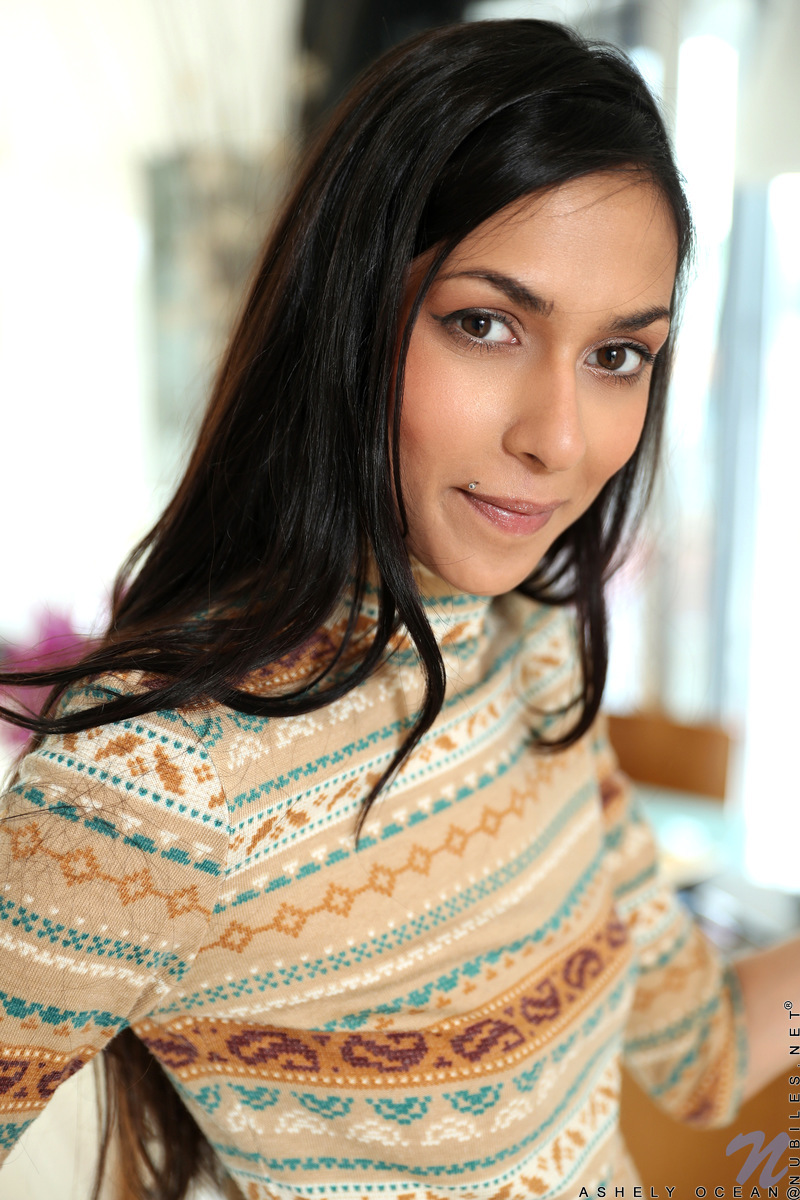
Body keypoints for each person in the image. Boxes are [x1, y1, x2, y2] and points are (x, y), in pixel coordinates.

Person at [0, 17, 797, 1200]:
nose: (558, 439)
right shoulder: (156, 780)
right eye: (485, 324)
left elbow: (703, 1051)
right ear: (348, 313)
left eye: (616, 356)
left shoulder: (529, 654)